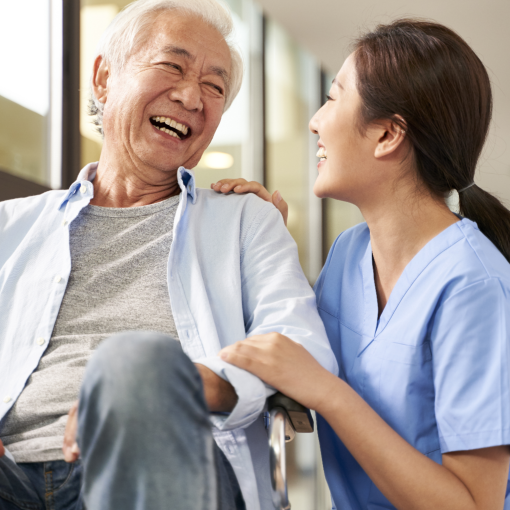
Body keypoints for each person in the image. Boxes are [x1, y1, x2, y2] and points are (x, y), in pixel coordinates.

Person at [0, 0, 337, 509]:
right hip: (12, 472)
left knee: (134, 361)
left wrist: (190, 382)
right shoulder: (12, 226)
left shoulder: (245, 218)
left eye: (215, 87)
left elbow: (302, 346)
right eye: (172, 66)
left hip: (165, 467)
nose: (190, 96)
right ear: (104, 78)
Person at [215, 19, 510, 510]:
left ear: (388, 134)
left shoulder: (474, 286)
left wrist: (330, 394)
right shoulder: (349, 254)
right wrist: (260, 248)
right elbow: (287, 351)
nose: (315, 121)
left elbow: (472, 504)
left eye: (333, 98)